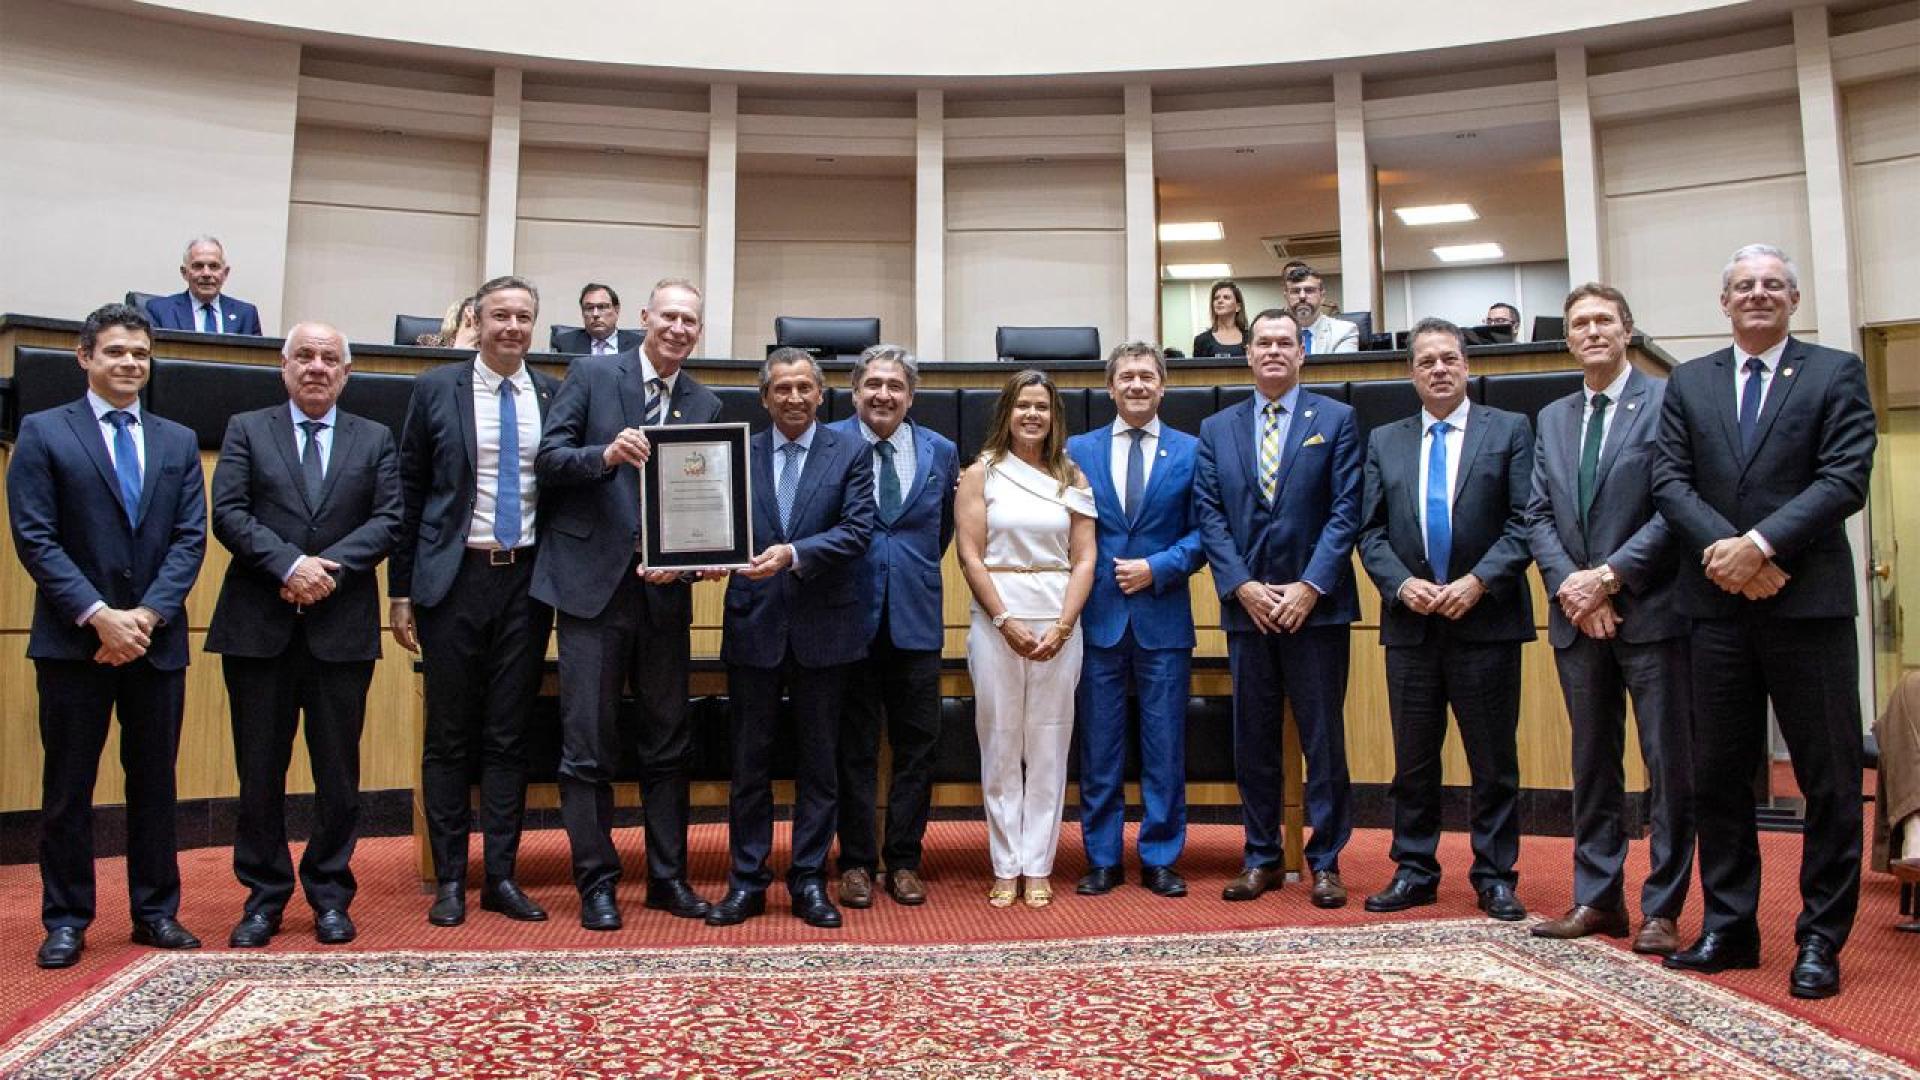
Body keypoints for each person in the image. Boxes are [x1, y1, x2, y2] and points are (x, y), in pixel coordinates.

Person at [1652, 243, 1876, 999]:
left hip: (1808, 605)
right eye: (1744, 285)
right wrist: (1731, 555)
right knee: (1718, 775)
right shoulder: (1689, 381)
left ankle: (1820, 938)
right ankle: (1730, 926)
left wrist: (1760, 546)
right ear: (1724, 302)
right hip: (1714, 606)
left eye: (1772, 285)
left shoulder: (1834, 372)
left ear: (1794, 300)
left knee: (1829, 777)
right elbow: (1669, 481)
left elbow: (1844, 478)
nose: (1757, 294)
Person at [8, 303, 208, 969]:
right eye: (117, 351)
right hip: (75, 643)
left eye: (140, 354)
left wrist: (145, 616)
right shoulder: (43, 432)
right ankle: (67, 917)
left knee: (155, 783)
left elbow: (189, 539)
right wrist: (99, 615)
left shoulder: (178, 440)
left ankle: (156, 912)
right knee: (69, 787)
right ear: (85, 357)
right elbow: (35, 538)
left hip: (155, 641)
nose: (130, 363)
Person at [532, 278, 723, 930]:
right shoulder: (591, 375)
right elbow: (549, 460)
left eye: (689, 321)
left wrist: (697, 560)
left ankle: (668, 879)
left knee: (668, 745)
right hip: (591, 589)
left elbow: (706, 504)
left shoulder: (704, 401)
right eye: (668, 316)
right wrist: (606, 454)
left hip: (663, 597)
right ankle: (597, 883)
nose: (678, 329)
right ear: (644, 317)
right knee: (587, 746)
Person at [206, 322, 401, 947]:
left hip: (340, 630)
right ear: (284, 366)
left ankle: (330, 893)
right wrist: (289, 566)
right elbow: (228, 513)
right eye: (305, 356)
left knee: (338, 773)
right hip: (258, 627)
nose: (317, 367)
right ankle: (263, 897)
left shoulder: (375, 438)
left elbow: (389, 519)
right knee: (259, 771)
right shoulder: (246, 428)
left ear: (346, 372)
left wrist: (325, 570)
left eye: (329, 358)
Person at [1525, 284, 1693, 955]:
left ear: (1627, 330)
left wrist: (1608, 579)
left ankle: (1663, 908)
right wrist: (1574, 587)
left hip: (1650, 612)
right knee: (1592, 762)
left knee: (1666, 765)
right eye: (1581, 324)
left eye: (1604, 321)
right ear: (1568, 339)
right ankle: (1598, 898)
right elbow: (1538, 513)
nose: (1592, 331)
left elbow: (1675, 504)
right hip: (1577, 616)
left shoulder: (1667, 401)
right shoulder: (1553, 416)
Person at [391, 276, 559, 928]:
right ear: (478, 322)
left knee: (509, 735)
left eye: (523, 317)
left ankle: (502, 878)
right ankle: (450, 881)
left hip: (526, 583)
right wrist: (401, 591)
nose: (512, 327)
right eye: (500, 316)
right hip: (453, 581)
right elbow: (409, 492)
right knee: (449, 735)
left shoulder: (552, 392)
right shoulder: (436, 389)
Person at [1358, 316, 1535, 921]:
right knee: (1413, 760)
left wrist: (1478, 582)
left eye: (1448, 359)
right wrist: (1401, 584)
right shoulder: (1385, 440)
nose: (1438, 369)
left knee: (1493, 760)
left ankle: (1495, 875)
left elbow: (1525, 522)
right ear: (1411, 373)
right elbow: (1370, 531)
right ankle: (1414, 869)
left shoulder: (1509, 429)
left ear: (1467, 366)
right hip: (1412, 624)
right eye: (1426, 361)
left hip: (1485, 620)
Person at [1194, 311, 1362, 908]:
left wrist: (1309, 586)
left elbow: (1346, 511)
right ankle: (1261, 856)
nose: (1272, 351)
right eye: (1262, 342)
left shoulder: (1336, 419)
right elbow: (1209, 514)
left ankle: (1327, 861)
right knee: (1253, 740)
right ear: (1248, 354)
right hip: (1250, 611)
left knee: (1324, 741)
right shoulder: (1216, 428)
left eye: (1284, 342)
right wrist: (1241, 585)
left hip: (1317, 610)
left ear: (1301, 353)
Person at [711, 348, 876, 928]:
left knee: (819, 765)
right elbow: (714, 526)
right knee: (748, 765)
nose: (794, 398)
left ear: (821, 394)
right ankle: (746, 881)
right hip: (753, 624)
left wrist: (793, 554)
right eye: (782, 388)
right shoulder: (737, 452)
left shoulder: (850, 452)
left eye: (805, 387)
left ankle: (808, 879)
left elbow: (857, 531)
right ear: (764, 397)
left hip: (825, 630)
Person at [1067, 342, 1205, 899]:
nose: (1137, 385)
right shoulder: (1078, 449)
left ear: (1162, 386)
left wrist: (1159, 567)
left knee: (1164, 745)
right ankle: (1102, 858)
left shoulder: (1191, 451)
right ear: (1110, 387)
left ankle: (1161, 857)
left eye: (1147, 376)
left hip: (1163, 618)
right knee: (1099, 748)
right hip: (1096, 619)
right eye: (1126, 377)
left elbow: (1206, 533)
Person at [956, 370, 1097, 908]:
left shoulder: (1072, 477)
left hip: (1059, 620)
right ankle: (1005, 864)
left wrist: (1063, 624)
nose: (1032, 415)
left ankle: (1038, 865)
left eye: (1041, 406)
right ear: (1007, 413)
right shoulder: (981, 473)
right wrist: (1004, 620)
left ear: (1054, 416)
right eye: (1023, 406)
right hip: (997, 620)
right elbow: (970, 555)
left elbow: (1085, 557)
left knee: (1049, 744)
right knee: (999, 743)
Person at [831, 345, 959, 910]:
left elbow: (941, 533)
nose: (883, 395)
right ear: (854, 391)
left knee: (917, 747)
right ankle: (856, 862)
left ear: (912, 396)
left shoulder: (941, 451)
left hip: (915, 618)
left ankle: (904, 861)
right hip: (845, 618)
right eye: (874, 384)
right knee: (852, 748)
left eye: (896, 386)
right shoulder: (830, 442)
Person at [143, 236, 263, 335]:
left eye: (214, 266)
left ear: (225, 273)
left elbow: (256, 356)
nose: (206, 273)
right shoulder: (159, 311)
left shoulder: (246, 315)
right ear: (184, 273)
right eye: (198, 266)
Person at [552, 283, 644, 356]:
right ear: (582, 312)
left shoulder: (639, 345)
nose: (595, 314)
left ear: (616, 310)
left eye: (602, 307)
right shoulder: (565, 344)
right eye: (589, 308)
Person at [1284, 265, 1358, 355]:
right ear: (1286, 297)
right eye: (1295, 291)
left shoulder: (1344, 331)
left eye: (1309, 290)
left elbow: (1343, 364)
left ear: (1322, 296)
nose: (1302, 296)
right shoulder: (1272, 333)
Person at [1190, 280, 1249, 359]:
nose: (1220, 301)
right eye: (1216, 298)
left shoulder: (1250, 338)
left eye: (1226, 297)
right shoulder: (1201, 340)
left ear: (1238, 307)